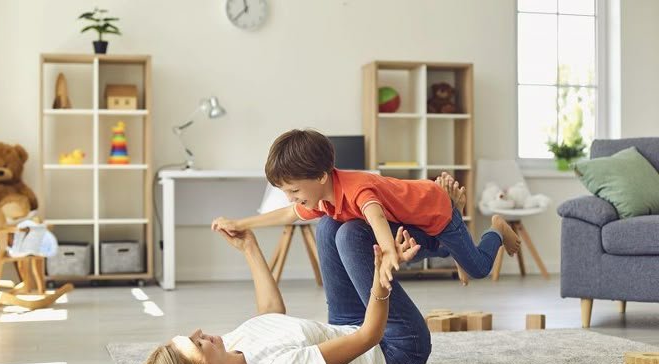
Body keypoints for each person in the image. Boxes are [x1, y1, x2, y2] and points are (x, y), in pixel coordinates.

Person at [124, 221, 428, 364]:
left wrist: (249, 247)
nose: (200, 332)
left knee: (328, 225)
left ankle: (436, 226)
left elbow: (269, 316)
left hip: (345, 325)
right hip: (390, 349)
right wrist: (381, 273)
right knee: (350, 236)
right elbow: (368, 337)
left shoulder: (228, 351)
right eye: (197, 343)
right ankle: (441, 236)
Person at [211, 128, 521, 288]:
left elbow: (374, 215)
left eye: (294, 190)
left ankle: (497, 229)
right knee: (426, 249)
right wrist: (242, 223)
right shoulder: (321, 196)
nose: (291, 197)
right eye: (286, 191)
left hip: (436, 210)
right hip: (410, 218)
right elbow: (288, 214)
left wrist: (387, 253)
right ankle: (456, 250)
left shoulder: (357, 188)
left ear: (320, 176)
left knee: (479, 268)